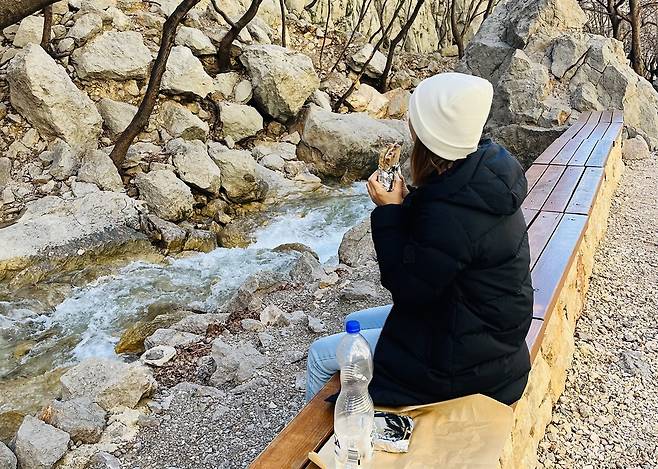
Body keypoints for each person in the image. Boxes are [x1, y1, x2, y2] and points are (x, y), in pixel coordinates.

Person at [305, 72, 533, 407]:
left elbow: (407, 287)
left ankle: (330, 433)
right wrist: (406, 202)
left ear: (430, 136)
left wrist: (389, 211)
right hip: (485, 336)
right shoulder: (480, 173)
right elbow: (441, 243)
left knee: (319, 355)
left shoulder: (451, 212)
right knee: (355, 323)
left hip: (465, 364)